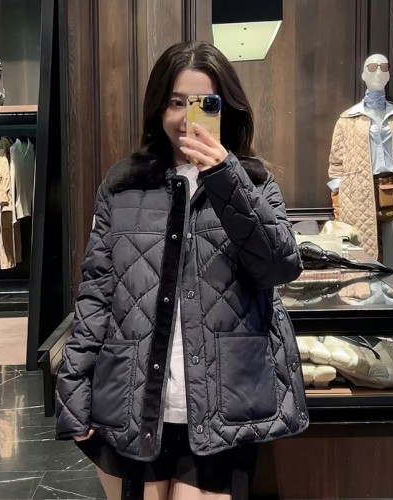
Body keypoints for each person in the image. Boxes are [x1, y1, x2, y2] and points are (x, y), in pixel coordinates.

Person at [55, 40, 308, 500]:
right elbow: (96, 293)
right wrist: (72, 387)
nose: (187, 117)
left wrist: (224, 174)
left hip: (221, 403)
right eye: (175, 102)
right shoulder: (122, 186)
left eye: (203, 103)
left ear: (225, 108)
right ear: (158, 108)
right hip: (134, 399)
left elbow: (280, 266)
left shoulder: (253, 182)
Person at [328, 53, 393, 271]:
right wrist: (338, 196)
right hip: (359, 194)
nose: (379, 72)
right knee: (364, 262)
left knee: (392, 264)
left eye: (384, 67)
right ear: (363, 75)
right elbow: (336, 161)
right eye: (372, 67)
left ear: (389, 74)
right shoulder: (348, 119)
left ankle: (391, 293)